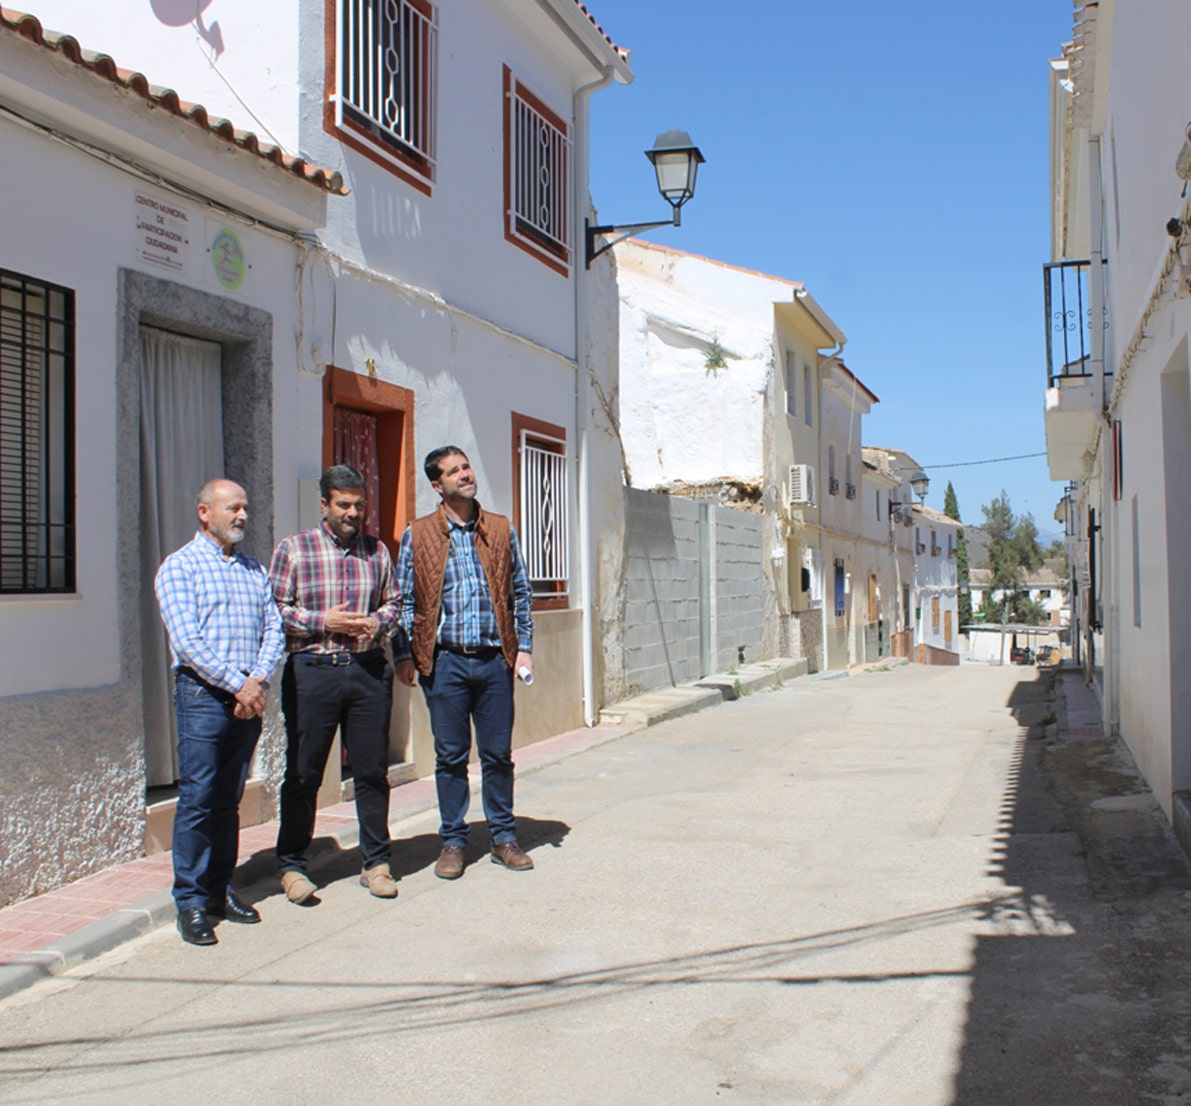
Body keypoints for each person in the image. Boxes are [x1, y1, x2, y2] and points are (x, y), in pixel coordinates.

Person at [393, 446, 535, 880]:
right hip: (446, 663)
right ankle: (453, 842)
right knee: (450, 756)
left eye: (466, 466)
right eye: (453, 471)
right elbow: (403, 600)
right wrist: (404, 653)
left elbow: (520, 593)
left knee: (497, 755)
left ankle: (503, 838)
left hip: (494, 661)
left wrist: (524, 648)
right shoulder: (417, 535)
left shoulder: (500, 528)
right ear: (437, 485)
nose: (464, 475)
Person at [155, 478, 285, 946]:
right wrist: (240, 684)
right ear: (204, 512)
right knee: (198, 798)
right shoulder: (179, 568)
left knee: (228, 799)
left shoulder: (253, 570)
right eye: (233, 507)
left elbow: (275, 628)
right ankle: (189, 902)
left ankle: (218, 889)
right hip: (203, 698)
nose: (243, 516)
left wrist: (259, 679)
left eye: (245, 508)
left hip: (247, 696)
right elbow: (188, 643)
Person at [269, 464, 400, 903]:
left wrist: (375, 623)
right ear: (324, 504)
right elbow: (275, 610)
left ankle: (376, 862)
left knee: (371, 772)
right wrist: (323, 620)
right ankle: (291, 865)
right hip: (313, 672)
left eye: (359, 504)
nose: (353, 512)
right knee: (304, 773)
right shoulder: (295, 549)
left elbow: (395, 603)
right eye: (344, 504)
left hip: (366, 672)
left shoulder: (377, 551)